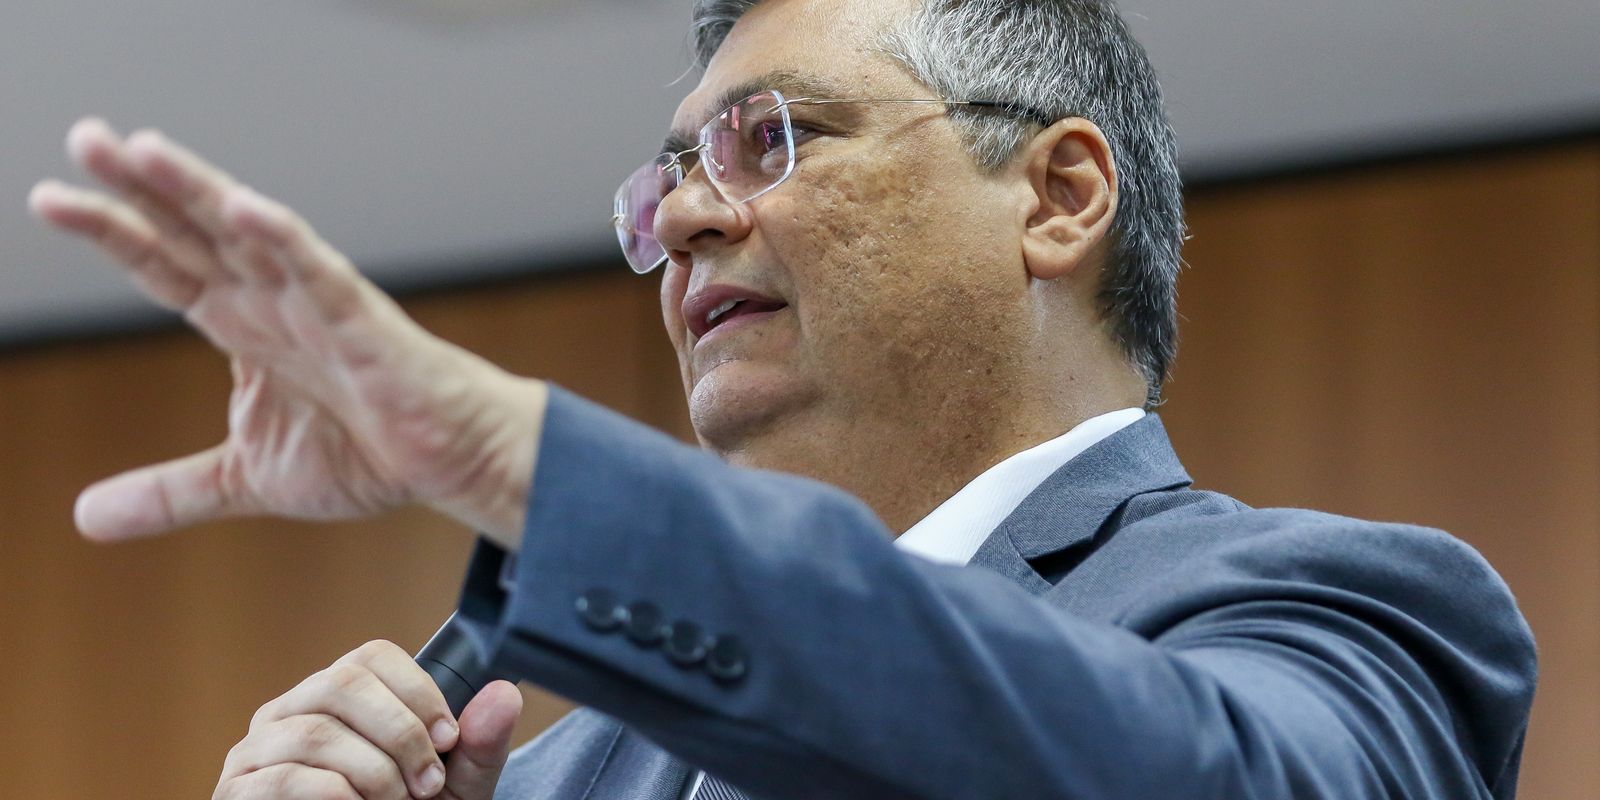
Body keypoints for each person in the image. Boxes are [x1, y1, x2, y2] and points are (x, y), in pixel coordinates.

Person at [29, 0, 1536, 797]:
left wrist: (532, 466)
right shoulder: (553, 772)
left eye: (771, 139)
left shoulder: (1350, 616)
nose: (686, 217)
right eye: (671, 179)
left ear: (1059, 195)